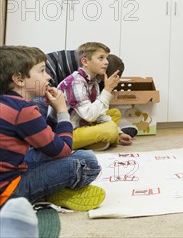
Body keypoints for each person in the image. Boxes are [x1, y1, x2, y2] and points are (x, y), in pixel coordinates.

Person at [0, 46, 105, 211]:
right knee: (87, 161)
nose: (48, 76)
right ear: (19, 79)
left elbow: (46, 142)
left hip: (12, 170)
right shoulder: (24, 110)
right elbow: (63, 150)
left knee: (40, 152)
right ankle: (52, 193)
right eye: (42, 71)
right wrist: (62, 110)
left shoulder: (9, 103)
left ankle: (48, 190)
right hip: (7, 194)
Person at [57, 42, 135, 151]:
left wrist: (119, 132)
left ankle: (96, 141)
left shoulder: (94, 83)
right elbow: (90, 115)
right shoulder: (76, 82)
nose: (106, 62)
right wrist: (107, 90)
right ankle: (101, 139)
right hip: (67, 134)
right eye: (101, 58)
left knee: (115, 114)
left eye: (107, 58)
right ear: (85, 61)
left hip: (82, 123)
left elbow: (99, 114)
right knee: (110, 128)